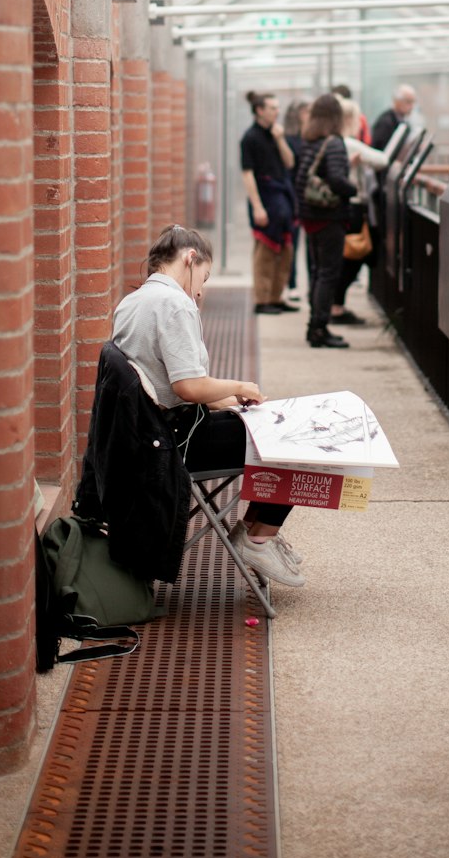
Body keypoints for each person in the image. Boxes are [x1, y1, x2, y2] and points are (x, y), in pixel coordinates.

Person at [111, 224, 304, 587]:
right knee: (291, 440)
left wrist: (233, 402)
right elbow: (187, 386)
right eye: (204, 276)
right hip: (179, 442)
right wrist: (240, 385)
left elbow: (168, 382)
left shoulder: (133, 301)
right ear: (190, 258)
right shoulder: (174, 304)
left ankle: (257, 533)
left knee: (271, 425)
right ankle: (258, 538)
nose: (201, 289)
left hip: (154, 434)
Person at [294, 92, 356, 348]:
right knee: (328, 274)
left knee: (318, 272)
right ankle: (319, 329)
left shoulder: (310, 140)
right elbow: (338, 180)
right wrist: (353, 190)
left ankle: (314, 327)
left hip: (311, 217)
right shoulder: (334, 143)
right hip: (329, 216)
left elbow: (301, 177)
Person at [331, 97, 389, 327]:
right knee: (355, 254)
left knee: (348, 256)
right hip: (353, 206)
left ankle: (335, 305)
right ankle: (336, 307)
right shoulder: (348, 143)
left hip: (346, 206)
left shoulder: (336, 142)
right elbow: (381, 160)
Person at [240, 91, 298, 316]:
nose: (277, 112)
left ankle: (276, 296)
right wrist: (257, 206)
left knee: (285, 250)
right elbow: (247, 174)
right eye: (273, 108)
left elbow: (290, 162)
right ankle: (263, 299)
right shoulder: (250, 138)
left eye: (277, 108)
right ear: (260, 111)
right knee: (265, 251)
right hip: (265, 198)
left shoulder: (276, 135)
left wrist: (280, 139)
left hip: (283, 198)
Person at [282, 99, 311, 303]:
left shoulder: (309, 138)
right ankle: (291, 284)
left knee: (309, 244)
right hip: (293, 197)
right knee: (293, 241)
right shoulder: (290, 139)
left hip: (307, 197)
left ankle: (310, 285)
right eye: (306, 111)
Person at [371, 83, 417, 150]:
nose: (412, 106)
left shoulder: (403, 122)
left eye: (413, 102)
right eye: (408, 102)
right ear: (397, 101)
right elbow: (377, 150)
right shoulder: (385, 122)